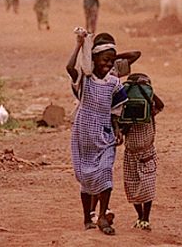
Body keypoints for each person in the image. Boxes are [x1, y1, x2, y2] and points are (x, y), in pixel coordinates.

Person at [66, 30, 128, 236]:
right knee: (85, 176)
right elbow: (69, 68)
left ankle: (102, 215)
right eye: (105, 60)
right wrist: (79, 44)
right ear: (94, 58)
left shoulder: (114, 83)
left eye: (111, 61)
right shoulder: (86, 79)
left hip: (104, 133)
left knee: (106, 171)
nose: (108, 64)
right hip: (83, 132)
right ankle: (87, 216)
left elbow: (115, 111)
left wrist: (118, 130)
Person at [122, 72, 165, 231]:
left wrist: (146, 91)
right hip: (130, 154)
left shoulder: (150, 111)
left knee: (147, 187)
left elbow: (161, 105)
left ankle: (145, 217)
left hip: (147, 153)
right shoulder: (125, 111)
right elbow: (122, 128)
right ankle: (140, 216)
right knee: (132, 187)